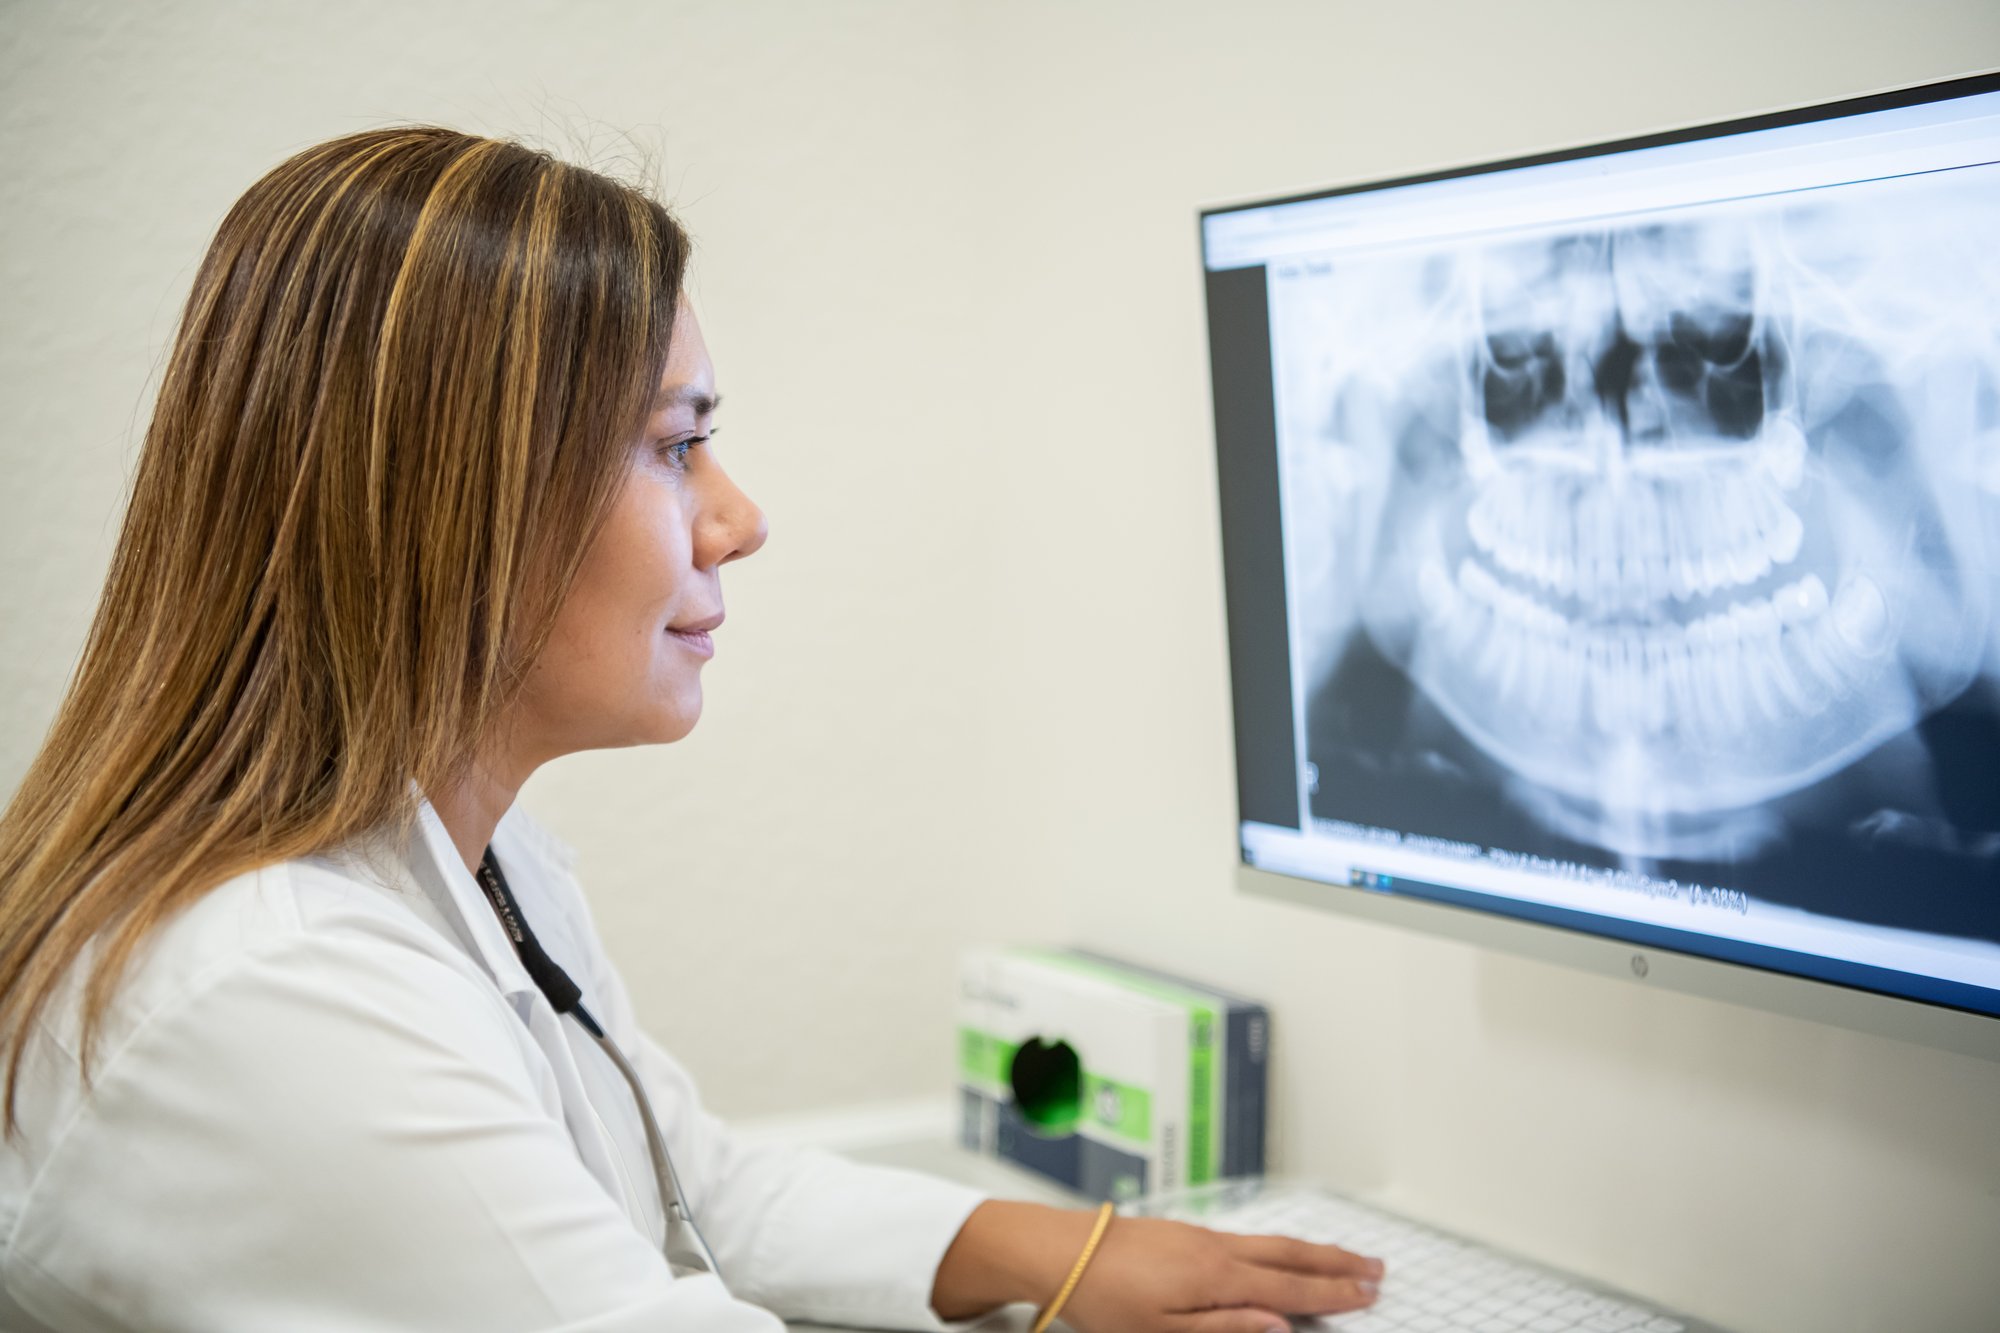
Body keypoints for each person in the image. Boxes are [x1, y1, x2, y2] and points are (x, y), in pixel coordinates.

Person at [0, 126, 1384, 1332]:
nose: (740, 517)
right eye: (676, 445)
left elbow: (689, 1186)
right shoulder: (277, 990)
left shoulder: (464, 862)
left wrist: (1071, 1250)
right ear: (462, 503)